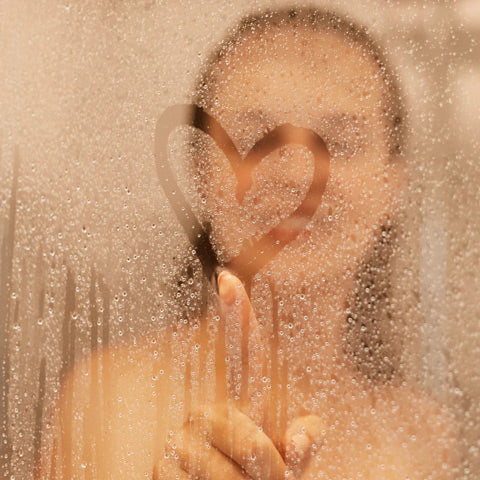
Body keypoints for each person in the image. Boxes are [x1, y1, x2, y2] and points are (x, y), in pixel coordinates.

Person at [39, 7, 459, 480]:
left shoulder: (421, 434)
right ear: (202, 174)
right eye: (256, 138)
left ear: (392, 187)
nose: (296, 175)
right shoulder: (114, 398)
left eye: (339, 144)